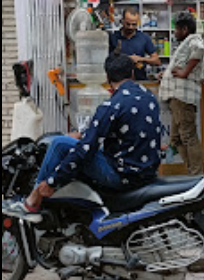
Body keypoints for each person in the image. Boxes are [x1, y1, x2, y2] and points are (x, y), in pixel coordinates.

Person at [3, 55, 161, 223]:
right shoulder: (149, 97)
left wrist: (53, 181)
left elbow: (86, 149)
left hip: (122, 175)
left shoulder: (113, 105)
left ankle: (32, 201)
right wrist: (81, 135)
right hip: (146, 172)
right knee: (70, 143)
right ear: (132, 73)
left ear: (107, 78)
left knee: (59, 144)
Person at [159, 11, 204, 176]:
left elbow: (200, 50)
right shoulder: (186, 42)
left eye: (177, 29)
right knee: (176, 138)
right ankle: (192, 171)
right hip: (177, 97)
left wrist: (185, 72)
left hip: (182, 97)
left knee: (188, 136)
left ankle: (196, 174)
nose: (174, 33)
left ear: (185, 29)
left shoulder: (194, 40)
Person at [109, 6, 161, 81]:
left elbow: (157, 61)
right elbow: (107, 62)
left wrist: (140, 59)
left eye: (134, 24)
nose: (131, 27)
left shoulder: (144, 38)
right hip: (119, 82)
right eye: (128, 24)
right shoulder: (113, 38)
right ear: (122, 21)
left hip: (140, 80)